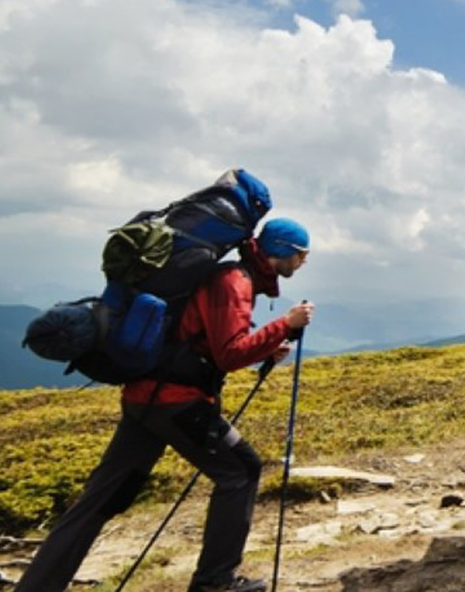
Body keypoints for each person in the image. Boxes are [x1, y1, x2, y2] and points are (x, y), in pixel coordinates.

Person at [16, 219, 316, 592]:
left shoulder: (231, 277)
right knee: (241, 470)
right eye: (302, 255)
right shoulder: (234, 282)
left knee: (100, 499)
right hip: (177, 402)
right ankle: (215, 582)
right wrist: (284, 325)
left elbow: (203, 340)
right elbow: (228, 354)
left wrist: (268, 347)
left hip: (144, 398)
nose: (303, 262)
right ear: (284, 250)